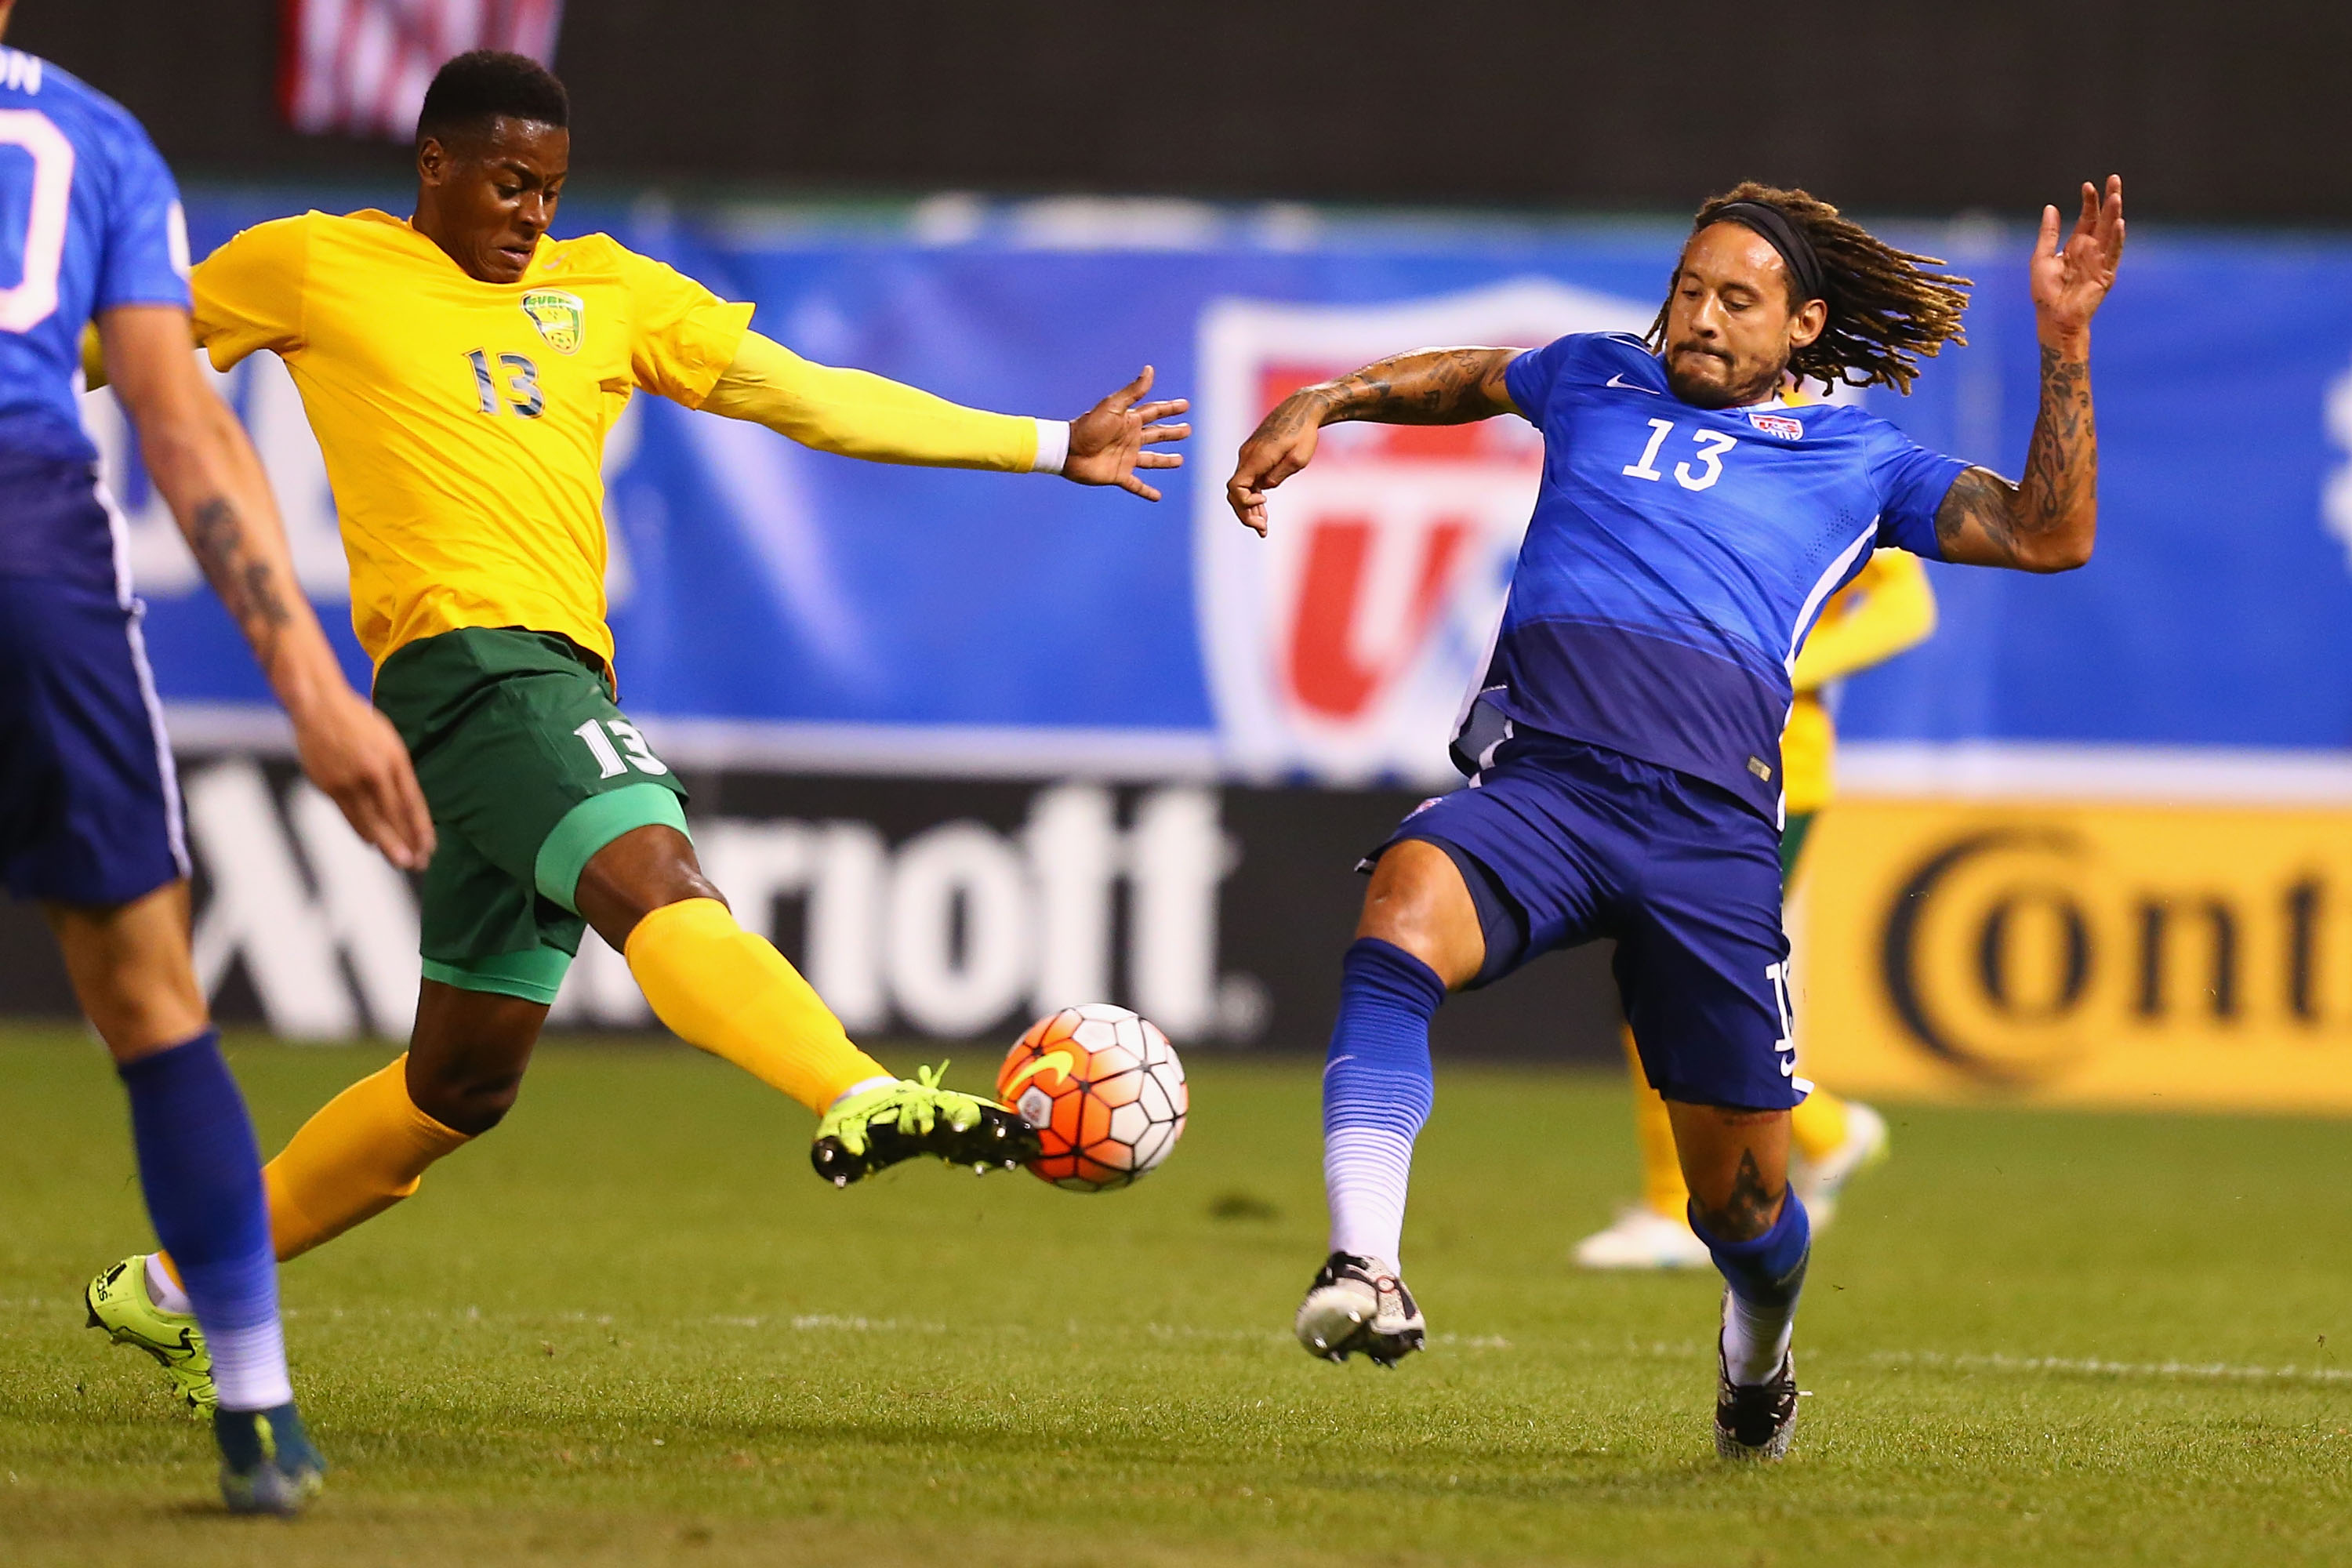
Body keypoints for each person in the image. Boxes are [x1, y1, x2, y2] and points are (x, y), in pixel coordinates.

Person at [87, 49, 1188, 1412]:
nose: (530, 212)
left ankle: (174, 1286)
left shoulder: (608, 289)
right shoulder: (312, 265)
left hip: (555, 681)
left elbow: (807, 394)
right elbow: (102, 346)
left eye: (549, 188)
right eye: (505, 182)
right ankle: (852, 1090)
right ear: (433, 165)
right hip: (475, 674)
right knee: (661, 880)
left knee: (461, 1085)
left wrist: (1042, 443)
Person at [1226, 176, 2122, 1459]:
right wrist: (1328, 399)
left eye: (1736, 300)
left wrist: (2066, 343)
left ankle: (1759, 1348)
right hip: (1548, 791)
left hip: (1708, 843)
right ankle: (1366, 1263)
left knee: (1744, 1208)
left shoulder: (1859, 459)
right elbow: (1471, 376)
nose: (1699, 317)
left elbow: (2051, 535)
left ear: (1805, 325)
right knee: (1401, 910)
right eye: (1688, 290)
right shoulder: (1594, 377)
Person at [0, 4, 433, 1515]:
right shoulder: (97, 140)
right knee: (146, 996)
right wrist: (318, 693)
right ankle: (253, 1410)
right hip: (28, 557)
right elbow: (182, 428)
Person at [1573, 546, 1934, 1269]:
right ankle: (1823, 1131)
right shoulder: (1671, 469)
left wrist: (1793, 665)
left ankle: (1683, 1203)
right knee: (1661, 981)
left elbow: (1907, 605)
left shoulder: (1821, 461)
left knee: (1685, 984)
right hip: (1673, 762)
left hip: (1771, 775)